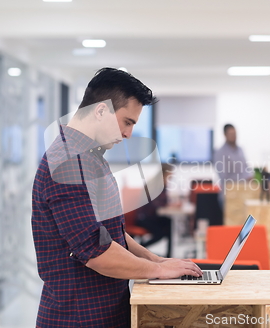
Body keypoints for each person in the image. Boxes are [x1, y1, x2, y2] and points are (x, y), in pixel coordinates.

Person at [31, 68, 202, 328]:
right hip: (79, 318)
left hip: (104, 311)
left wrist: (154, 259)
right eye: (127, 121)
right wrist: (158, 271)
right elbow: (96, 252)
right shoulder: (69, 163)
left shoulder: (88, 158)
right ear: (101, 111)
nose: (128, 133)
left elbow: (108, 232)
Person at [135, 163, 173, 257]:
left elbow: (163, 203)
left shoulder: (163, 186)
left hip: (153, 216)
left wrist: (170, 205)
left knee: (169, 223)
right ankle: (140, 248)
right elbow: (154, 205)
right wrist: (168, 206)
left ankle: (169, 254)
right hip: (144, 218)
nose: (171, 178)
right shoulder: (153, 185)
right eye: (170, 175)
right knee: (160, 233)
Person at [213, 124, 252, 208]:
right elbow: (224, 177)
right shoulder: (220, 153)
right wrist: (245, 178)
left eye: (235, 134)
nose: (233, 136)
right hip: (229, 196)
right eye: (231, 134)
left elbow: (246, 167)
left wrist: (251, 176)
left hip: (243, 194)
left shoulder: (240, 150)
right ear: (225, 135)